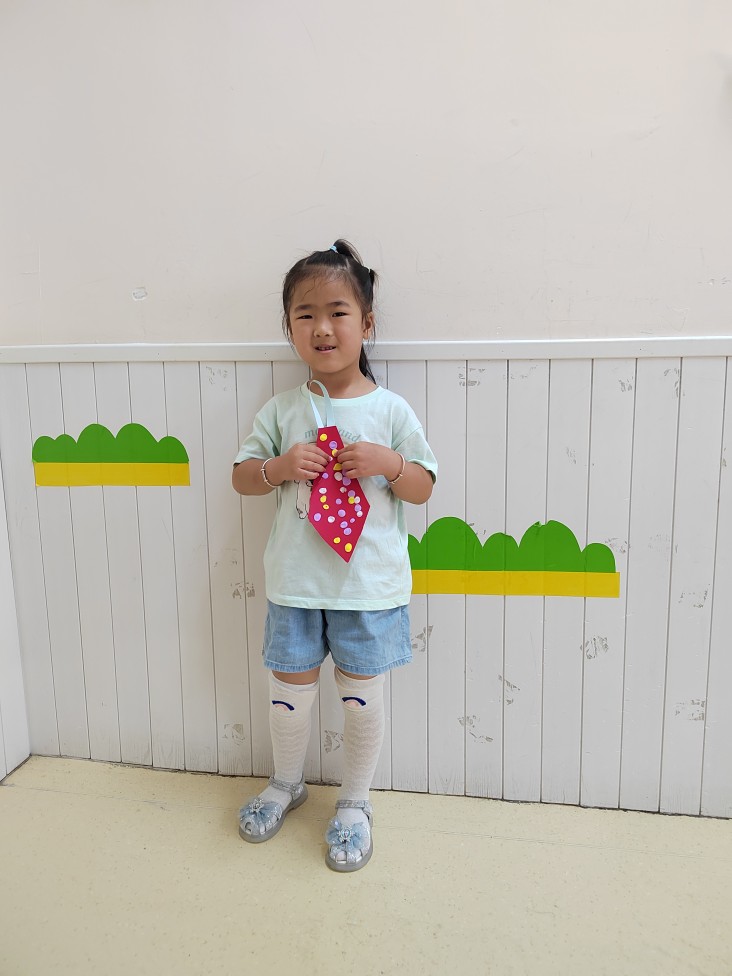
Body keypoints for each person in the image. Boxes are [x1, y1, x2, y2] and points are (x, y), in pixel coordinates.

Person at [232, 240, 437, 872]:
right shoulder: (283, 409)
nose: (322, 327)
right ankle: (286, 783)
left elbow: (423, 487)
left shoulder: (390, 409)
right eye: (305, 314)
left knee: (360, 696)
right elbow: (241, 477)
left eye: (338, 312)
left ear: (366, 323)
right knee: (288, 690)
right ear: (289, 326)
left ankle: (355, 802)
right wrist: (277, 467)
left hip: (367, 588)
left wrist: (390, 462)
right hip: (295, 584)